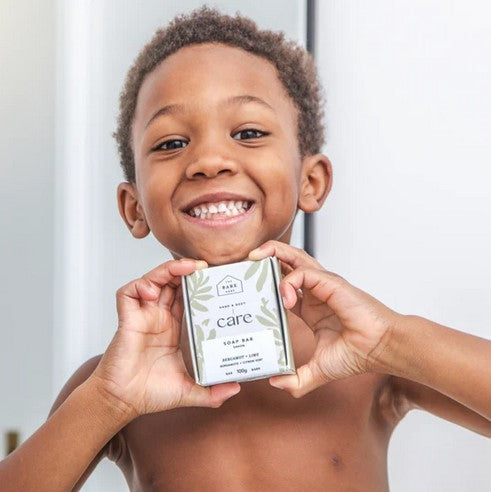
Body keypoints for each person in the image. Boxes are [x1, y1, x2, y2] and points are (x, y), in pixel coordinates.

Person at [1, 6, 490, 491]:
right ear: (133, 208)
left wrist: (393, 341)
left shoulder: (375, 363)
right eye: (171, 143)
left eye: (249, 133)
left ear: (312, 181)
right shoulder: (110, 382)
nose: (209, 161)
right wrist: (108, 399)